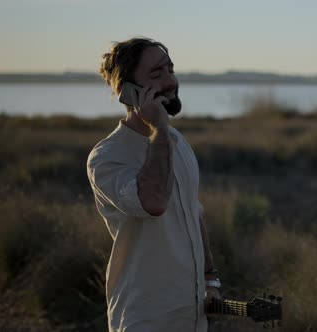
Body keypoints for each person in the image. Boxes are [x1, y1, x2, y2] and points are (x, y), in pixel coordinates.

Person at [87, 37, 220, 332]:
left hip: (192, 315)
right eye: (157, 75)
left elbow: (193, 212)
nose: (171, 81)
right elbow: (154, 202)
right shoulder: (107, 157)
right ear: (129, 92)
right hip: (144, 316)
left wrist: (211, 279)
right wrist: (158, 127)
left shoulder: (177, 143)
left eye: (170, 70)